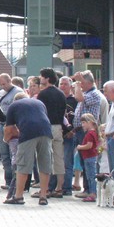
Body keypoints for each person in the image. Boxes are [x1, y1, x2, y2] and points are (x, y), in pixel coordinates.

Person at [3, 92, 53, 205]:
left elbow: (9, 129)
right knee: (45, 164)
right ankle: (43, 196)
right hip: (46, 132)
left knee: (23, 164)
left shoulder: (13, 106)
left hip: (28, 132)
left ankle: (18, 196)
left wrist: (6, 140)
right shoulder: (39, 103)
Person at [70, 70, 103, 196]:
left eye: (82, 83)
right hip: (80, 131)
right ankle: (87, 189)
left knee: (88, 163)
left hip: (87, 133)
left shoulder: (94, 94)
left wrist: (78, 83)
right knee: (83, 162)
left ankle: (90, 190)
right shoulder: (87, 92)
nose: (80, 86)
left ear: (88, 82)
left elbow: (79, 97)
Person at [37, 68, 68, 197]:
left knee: (45, 159)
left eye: (42, 77)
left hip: (46, 127)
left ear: (47, 79)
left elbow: (40, 112)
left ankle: (46, 189)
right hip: (58, 127)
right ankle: (59, 188)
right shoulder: (61, 94)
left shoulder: (43, 94)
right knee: (59, 158)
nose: (40, 79)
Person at [0, 74, 20, 189]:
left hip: (12, 125)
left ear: (10, 81)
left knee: (13, 153)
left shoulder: (17, 92)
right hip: (1, 124)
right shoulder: (1, 93)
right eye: (0, 84)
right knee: (4, 153)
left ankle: (15, 181)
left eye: (4, 84)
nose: (2, 86)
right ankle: (8, 179)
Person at [75, 113, 100, 203]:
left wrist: (80, 147)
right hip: (90, 157)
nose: (82, 125)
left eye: (84, 122)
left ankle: (93, 193)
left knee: (91, 176)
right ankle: (91, 192)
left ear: (90, 122)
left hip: (89, 157)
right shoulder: (93, 132)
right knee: (90, 175)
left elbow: (89, 145)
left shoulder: (90, 134)